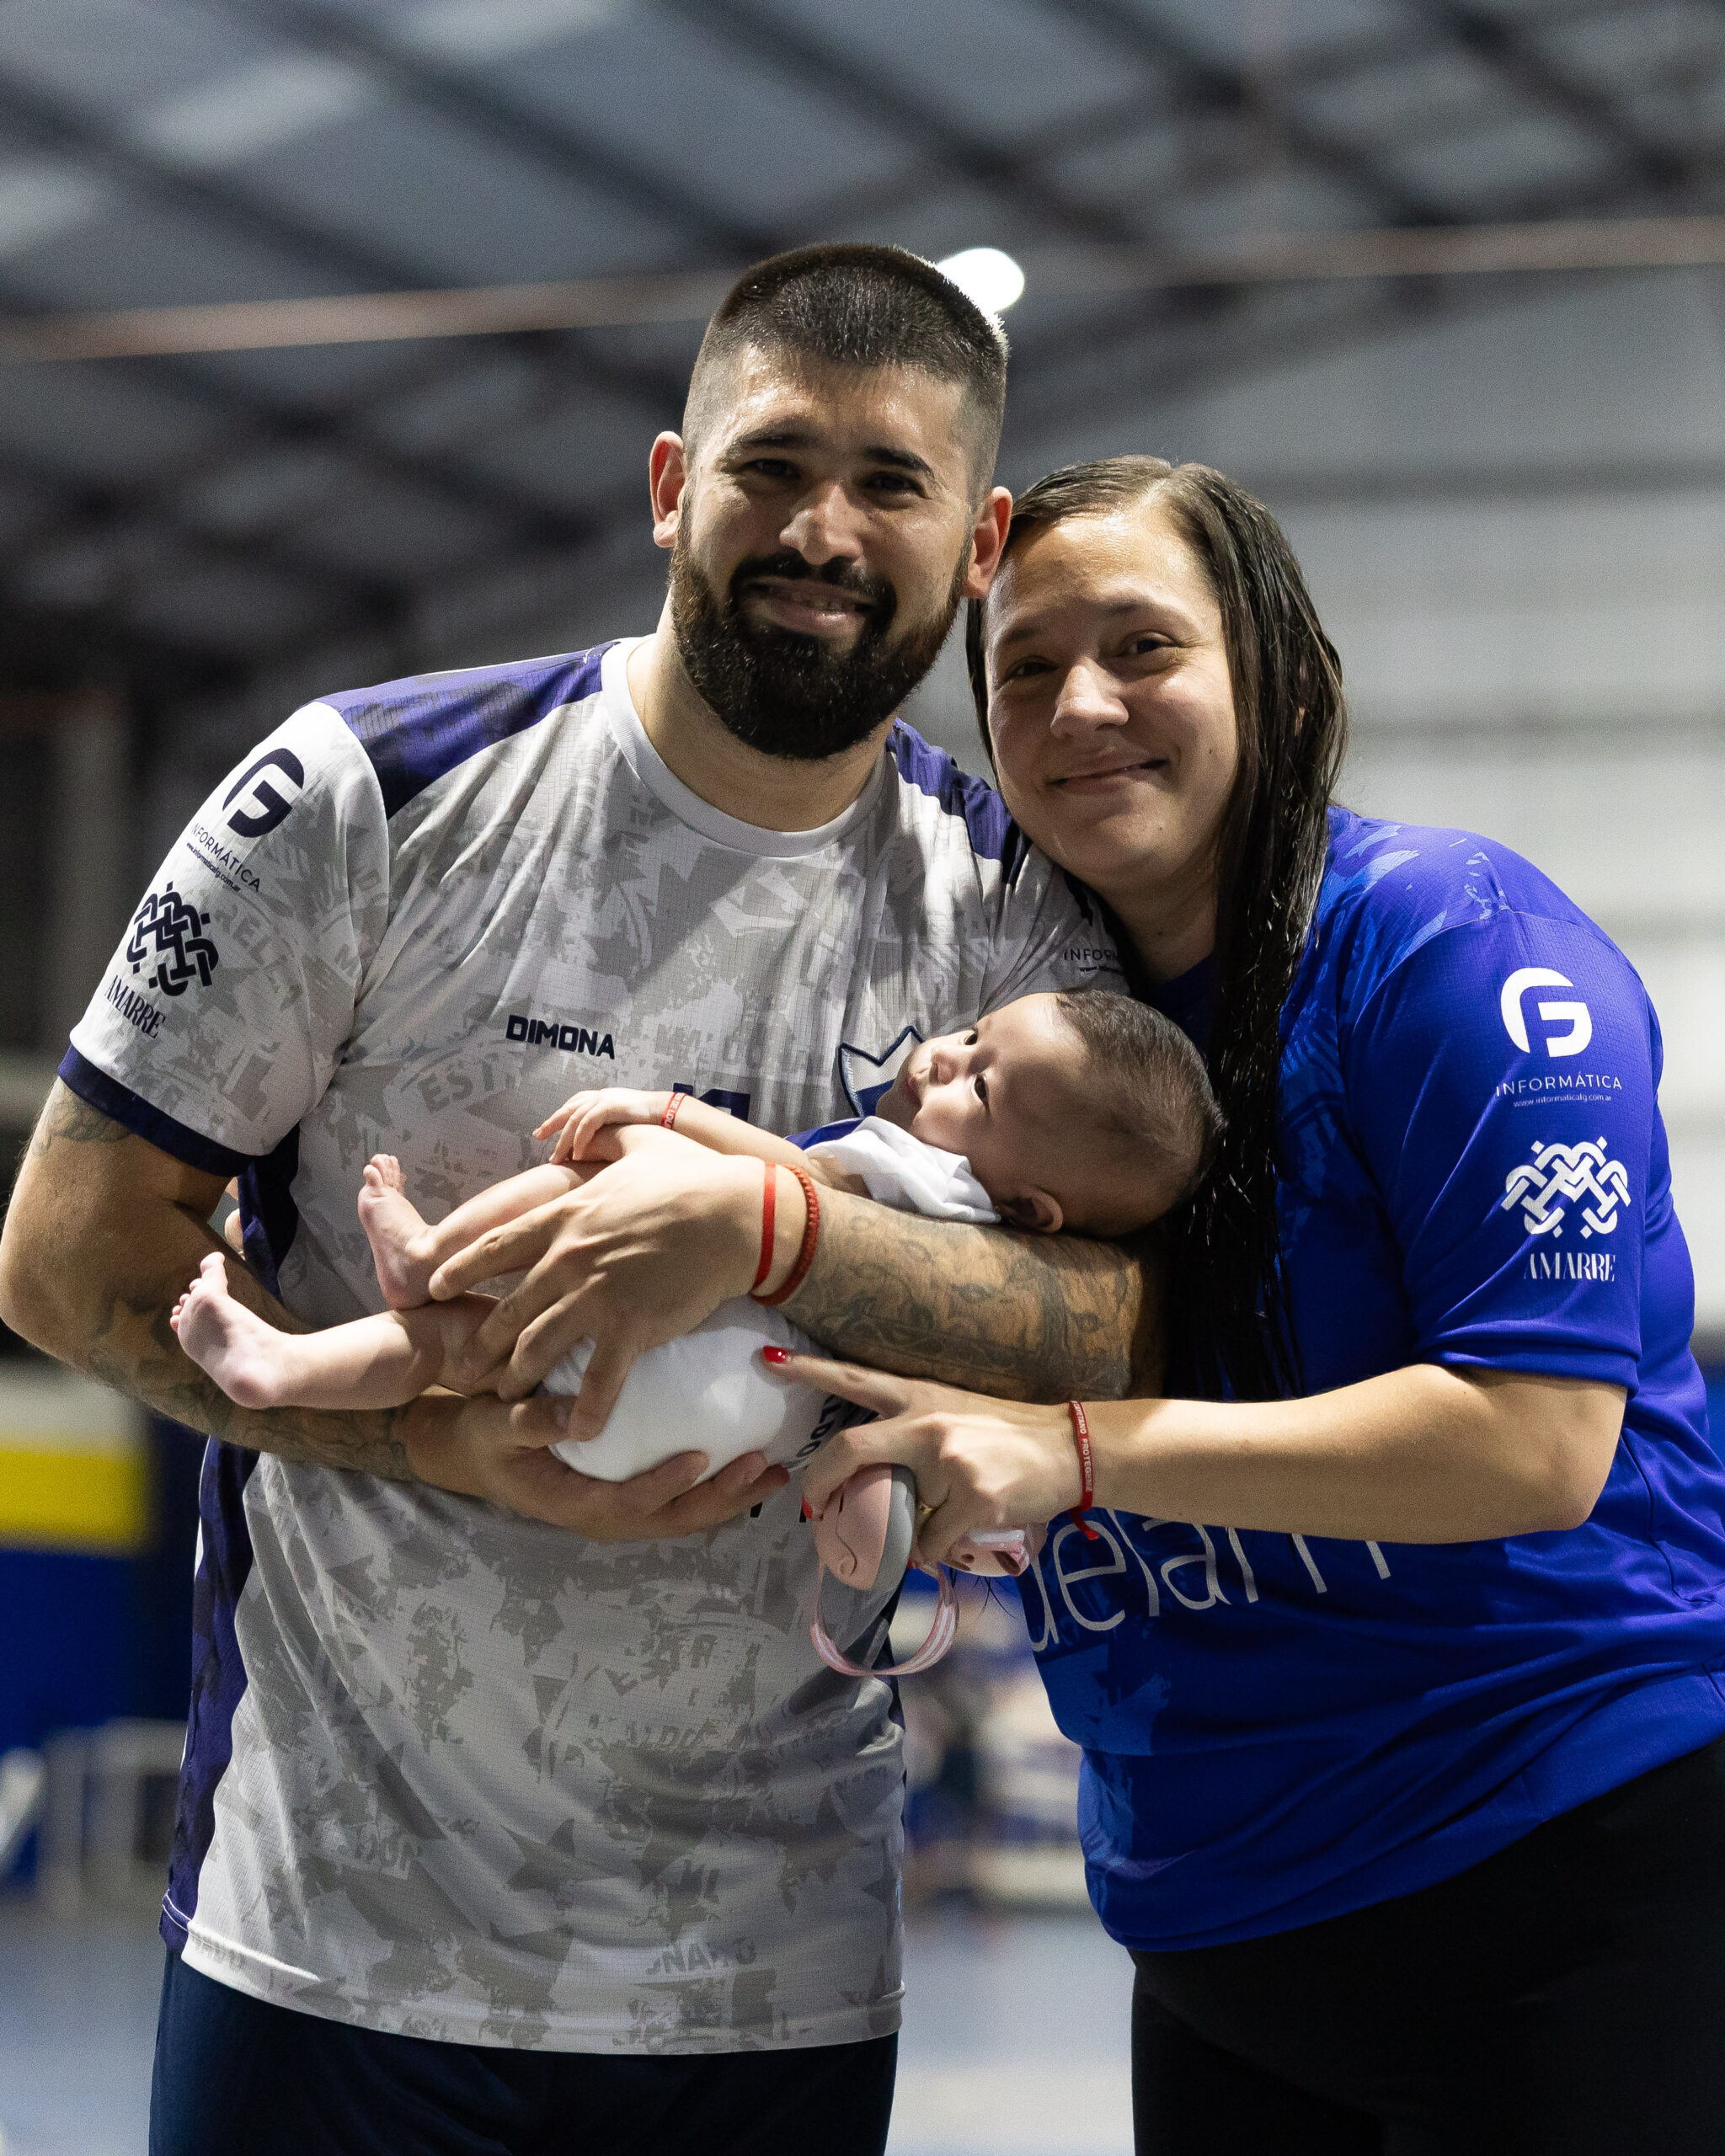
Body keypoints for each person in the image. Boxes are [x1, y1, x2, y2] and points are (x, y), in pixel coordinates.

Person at [0, 252, 1155, 2156]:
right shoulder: (363, 799)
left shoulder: (1009, 913)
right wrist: (437, 1441)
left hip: (771, 1970)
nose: (821, 528)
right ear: (667, 488)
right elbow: (66, 1258)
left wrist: (779, 1237)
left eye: (889, 482)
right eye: (771, 464)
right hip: (332, 1939)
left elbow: (1119, 1323)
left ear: (978, 543)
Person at [788, 455, 1725, 2154]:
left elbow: (1535, 1443)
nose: (1078, 705)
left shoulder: (1453, 946)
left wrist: (1073, 1452)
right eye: (1022, 666)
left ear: (1278, 679)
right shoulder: (1001, 1043)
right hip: (1211, 1917)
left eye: (1141, 646)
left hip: (1562, 1869)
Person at [165, 989, 1215, 1440]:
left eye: (978, 1086)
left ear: (1032, 1206)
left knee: (619, 1171)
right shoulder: (981, 1220)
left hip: (692, 1355)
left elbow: (791, 1180)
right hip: (714, 1422)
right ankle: (279, 1369)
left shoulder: (936, 1187)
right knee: (461, 1350)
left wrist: (667, 1113)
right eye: (973, 1034)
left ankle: (431, 1255)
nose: (940, 1057)